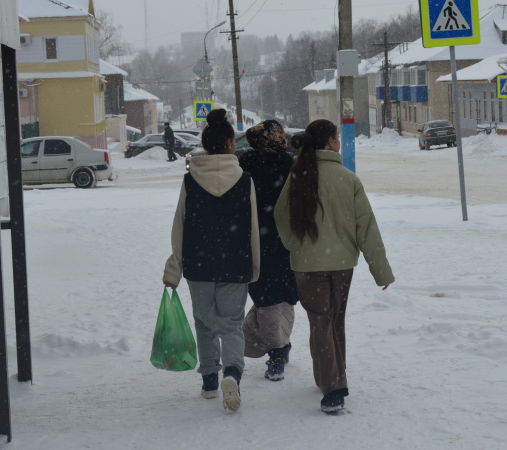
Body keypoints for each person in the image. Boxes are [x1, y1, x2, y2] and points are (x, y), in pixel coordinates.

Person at [274, 119, 395, 415]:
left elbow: (280, 216)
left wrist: (296, 246)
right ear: (329, 142)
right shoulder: (347, 179)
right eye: (337, 138)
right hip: (342, 264)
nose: (339, 142)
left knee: (321, 321)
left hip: (308, 265)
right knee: (333, 320)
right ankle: (333, 386)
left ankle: (328, 378)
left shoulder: (297, 176)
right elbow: (366, 227)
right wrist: (380, 269)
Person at [162, 108, 260, 412]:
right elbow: (253, 228)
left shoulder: (190, 180)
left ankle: (208, 380)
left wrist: (174, 267)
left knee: (204, 324)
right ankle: (232, 373)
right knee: (232, 325)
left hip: (199, 264)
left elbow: (180, 224)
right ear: (231, 143)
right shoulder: (245, 180)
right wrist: (253, 267)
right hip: (235, 263)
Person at [237, 120, 299, 381]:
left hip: (255, 244)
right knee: (281, 296)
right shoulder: (290, 165)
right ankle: (278, 351)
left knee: (266, 298)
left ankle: (279, 347)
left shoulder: (244, 166)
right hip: (285, 243)